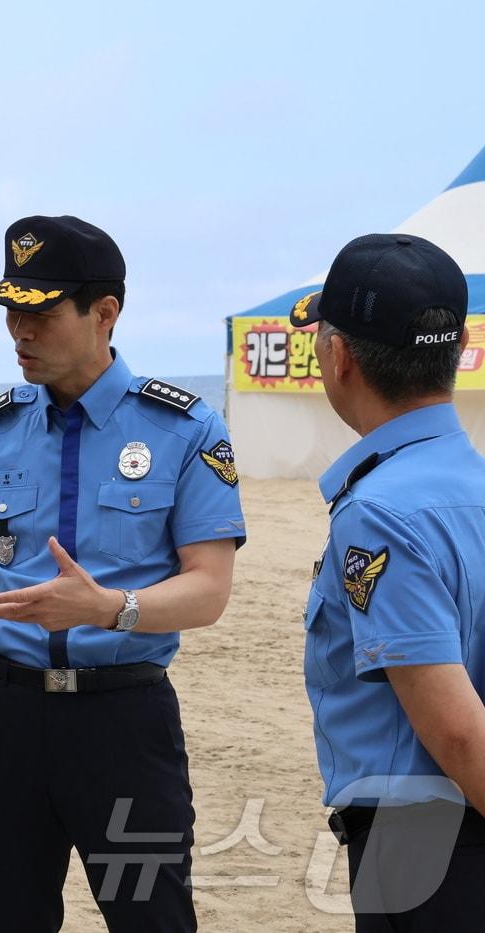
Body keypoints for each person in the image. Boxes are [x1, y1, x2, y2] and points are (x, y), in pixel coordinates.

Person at [0, 215, 244, 932]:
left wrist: (108, 608)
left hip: (124, 722)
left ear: (105, 313)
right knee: (5, 918)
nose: (18, 332)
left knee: (151, 916)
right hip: (7, 719)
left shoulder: (185, 429)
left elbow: (209, 589)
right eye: (10, 311)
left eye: (39, 312)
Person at [290, 233, 485, 927]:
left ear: (338, 356)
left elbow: (458, 732)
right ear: (456, 350)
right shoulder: (473, 481)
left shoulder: (378, 511)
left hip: (426, 846)